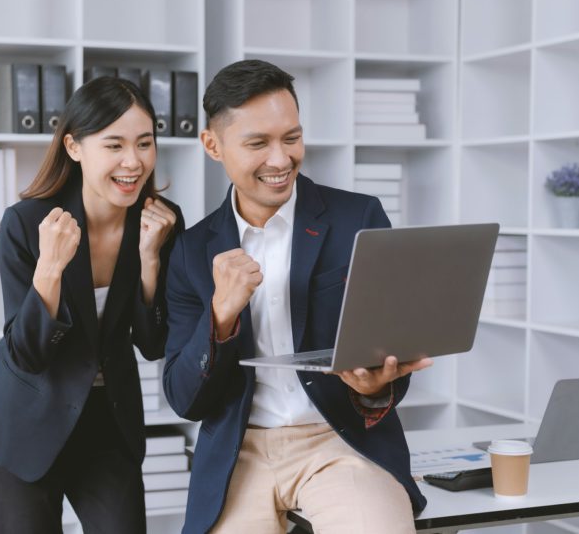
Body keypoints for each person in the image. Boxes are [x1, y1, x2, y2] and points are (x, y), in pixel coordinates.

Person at [162, 59, 433, 534]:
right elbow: (185, 399)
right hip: (239, 451)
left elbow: (391, 347)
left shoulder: (358, 218)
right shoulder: (190, 251)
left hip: (339, 442)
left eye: (291, 138)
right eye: (257, 143)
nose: (281, 160)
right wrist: (221, 317)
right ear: (213, 145)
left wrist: (375, 390)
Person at [0, 76, 183, 534]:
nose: (133, 161)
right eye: (114, 145)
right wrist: (50, 269)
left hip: (107, 421)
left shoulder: (161, 223)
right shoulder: (27, 223)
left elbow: (154, 343)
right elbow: (26, 354)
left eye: (145, 143)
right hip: (24, 418)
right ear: (75, 148)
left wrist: (148, 262)